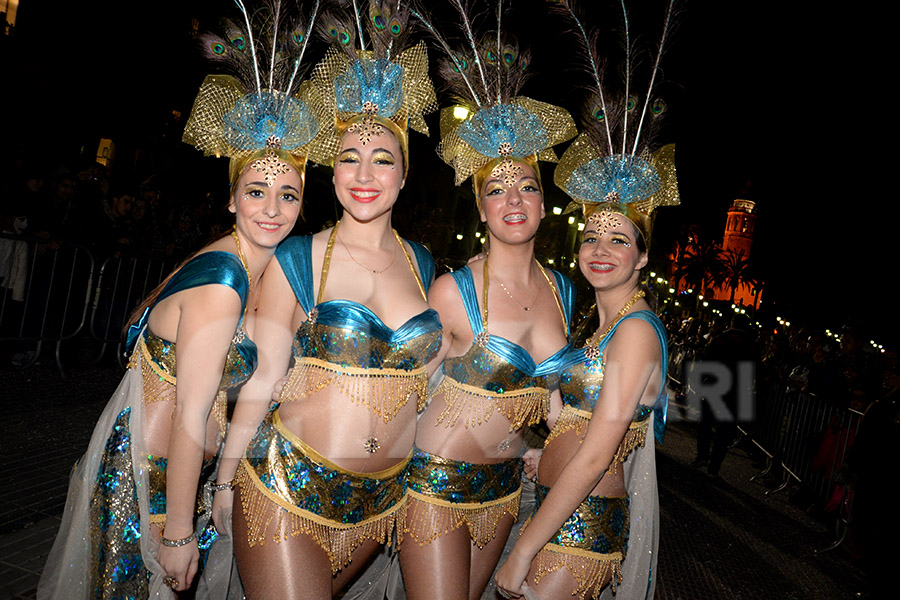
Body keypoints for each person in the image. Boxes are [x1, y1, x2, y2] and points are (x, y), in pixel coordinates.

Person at [37, 3, 321, 597]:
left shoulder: (256, 270)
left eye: (288, 194)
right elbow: (192, 411)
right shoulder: (223, 280)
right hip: (151, 484)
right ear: (230, 198)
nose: (272, 209)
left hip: (175, 480)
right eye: (256, 191)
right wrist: (177, 532)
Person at [211, 6, 441, 597]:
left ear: (404, 174)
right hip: (288, 490)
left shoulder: (422, 265)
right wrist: (225, 481)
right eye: (347, 157)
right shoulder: (298, 259)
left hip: (382, 506)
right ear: (330, 173)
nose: (364, 173)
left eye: (383, 159)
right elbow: (258, 381)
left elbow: (433, 380)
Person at [495, 3, 680, 598]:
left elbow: (601, 450)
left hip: (579, 533)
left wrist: (523, 549)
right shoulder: (600, 328)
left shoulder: (636, 331)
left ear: (643, 256)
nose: (602, 250)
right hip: (554, 514)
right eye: (592, 236)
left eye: (620, 240)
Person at [396, 5, 578, 598]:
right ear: (481, 207)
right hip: (438, 483)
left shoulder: (563, 291)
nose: (514, 200)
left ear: (544, 199)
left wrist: (541, 446)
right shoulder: (455, 291)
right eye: (496, 190)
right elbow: (405, 381)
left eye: (527, 185)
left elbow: (547, 399)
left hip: (504, 494)